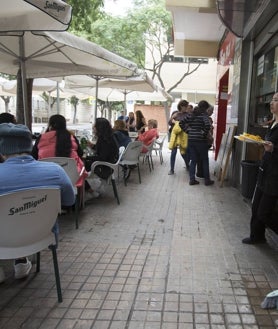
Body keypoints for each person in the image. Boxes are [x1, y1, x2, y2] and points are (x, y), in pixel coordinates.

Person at [0, 123, 75, 283]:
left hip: (3, 240)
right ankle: (20, 260)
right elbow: (70, 200)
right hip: (43, 235)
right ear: (30, 144)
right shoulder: (55, 171)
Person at [242, 93, 278, 245]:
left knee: (264, 212)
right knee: (256, 206)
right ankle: (257, 236)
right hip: (265, 170)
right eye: (273, 99)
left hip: (275, 175)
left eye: (276, 100)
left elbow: (274, 147)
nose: (272, 103)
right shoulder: (273, 123)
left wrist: (274, 149)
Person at [32, 114, 87, 189]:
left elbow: (34, 156)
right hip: (71, 178)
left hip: (45, 176)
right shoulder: (71, 137)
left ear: (50, 125)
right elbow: (80, 153)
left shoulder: (41, 138)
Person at [180, 100, 214, 186]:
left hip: (191, 140)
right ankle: (207, 180)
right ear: (205, 108)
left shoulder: (191, 114)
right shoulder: (204, 115)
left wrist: (188, 131)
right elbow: (207, 125)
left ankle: (192, 180)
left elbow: (181, 123)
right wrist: (203, 133)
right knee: (205, 160)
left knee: (193, 160)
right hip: (201, 141)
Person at [85, 118, 119, 198]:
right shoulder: (108, 137)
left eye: (95, 125)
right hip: (107, 164)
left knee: (80, 167)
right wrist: (92, 146)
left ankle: (89, 190)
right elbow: (104, 152)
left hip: (104, 168)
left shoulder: (105, 140)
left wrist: (86, 157)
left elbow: (102, 157)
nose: (93, 127)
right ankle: (88, 189)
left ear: (100, 127)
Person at [168, 99, 190, 175]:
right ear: (181, 106)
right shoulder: (175, 113)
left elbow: (187, 125)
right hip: (174, 135)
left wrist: (176, 122)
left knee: (183, 153)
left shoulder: (187, 114)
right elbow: (169, 123)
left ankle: (187, 165)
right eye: (186, 106)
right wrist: (172, 118)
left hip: (183, 135)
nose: (187, 108)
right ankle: (171, 169)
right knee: (173, 152)